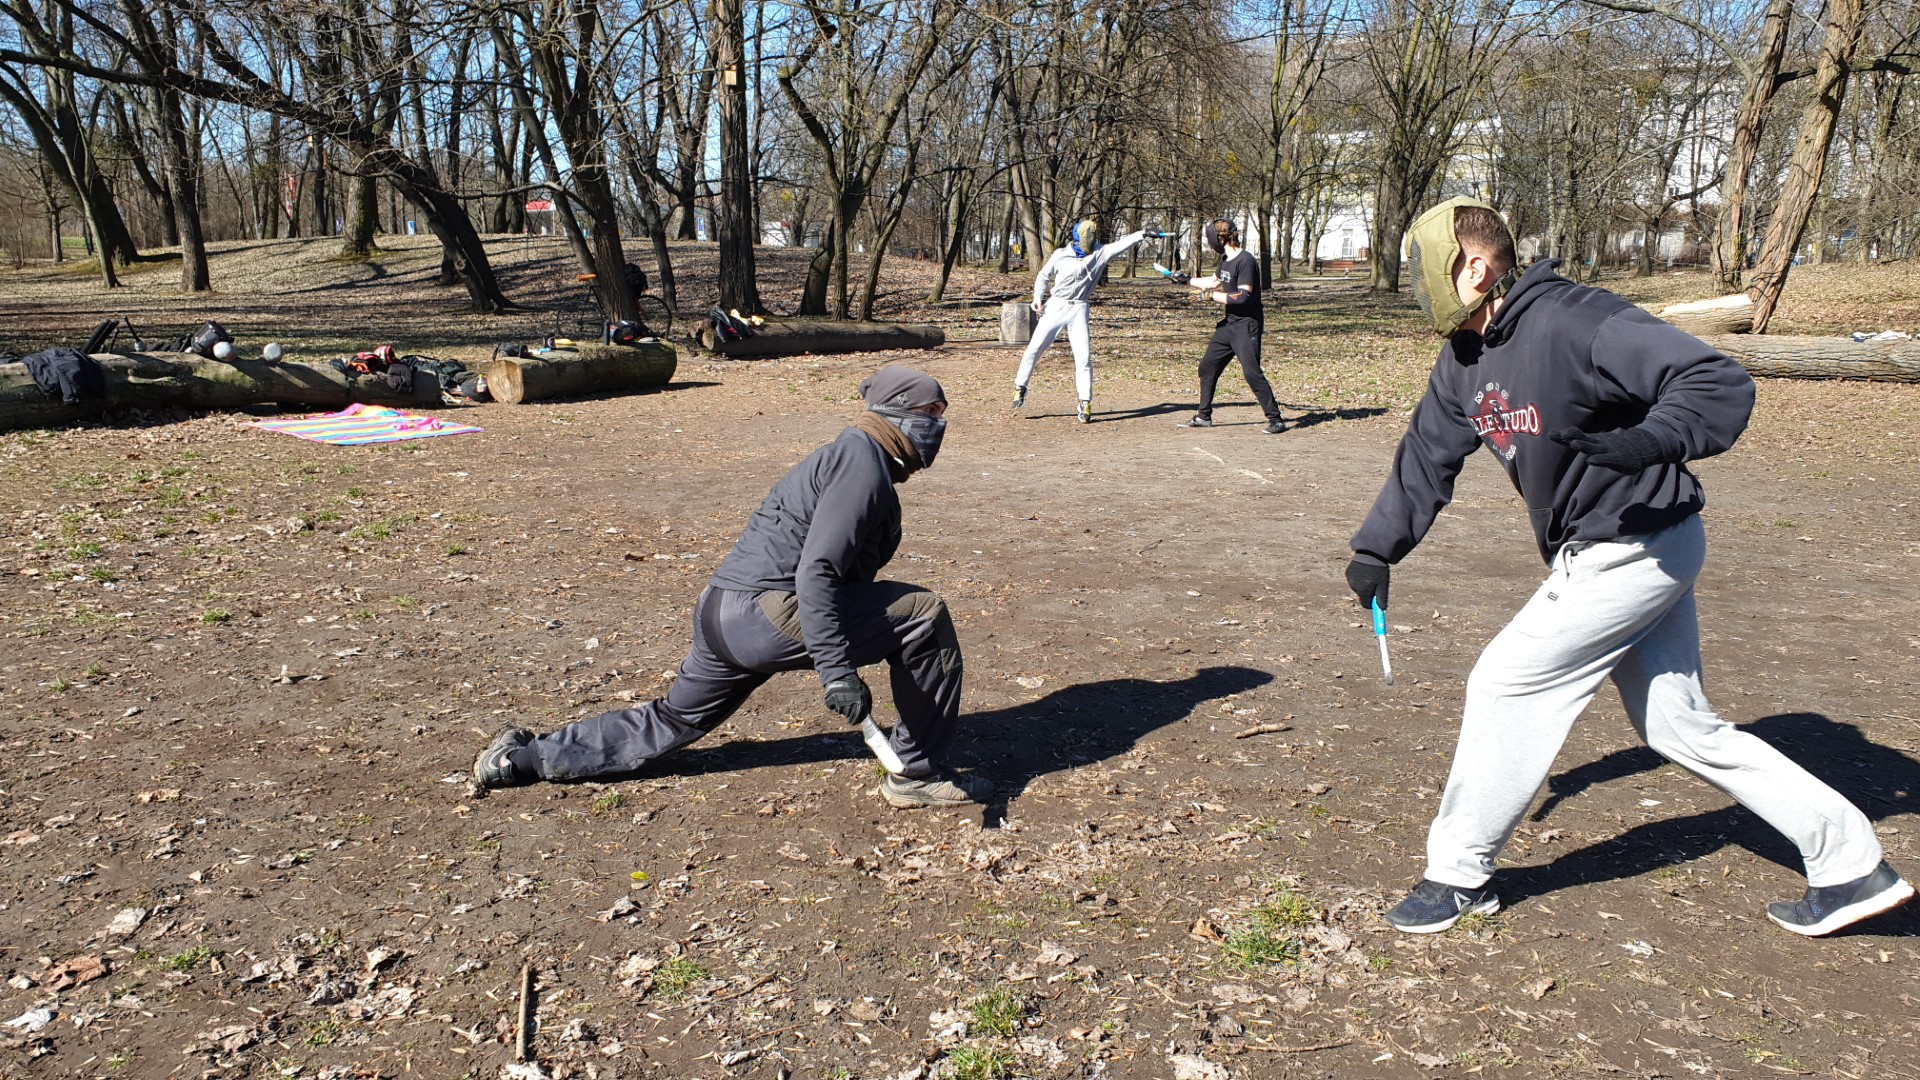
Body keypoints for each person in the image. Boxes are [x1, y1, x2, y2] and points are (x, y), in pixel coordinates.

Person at [1344, 197, 1911, 937]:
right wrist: (1376, 547)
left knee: (1505, 682)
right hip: (1608, 545)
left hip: (1637, 543)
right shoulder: (1462, 361)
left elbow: (1718, 382)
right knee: (1681, 728)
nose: (1417, 288)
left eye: (1424, 271)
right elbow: (1427, 455)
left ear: (1474, 269)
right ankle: (1850, 865)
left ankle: (1459, 873)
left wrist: (1653, 440)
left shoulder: (1579, 321)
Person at [473, 366, 994, 810]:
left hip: (722, 613)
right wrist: (837, 674)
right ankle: (916, 774)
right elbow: (817, 572)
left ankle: (523, 758)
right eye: (932, 413)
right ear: (898, 413)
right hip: (763, 615)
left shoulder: (856, 456)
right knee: (924, 613)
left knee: (672, 718)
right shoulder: (862, 461)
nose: (939, 425)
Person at [1013, 219, 1162, 424]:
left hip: (1079, 308)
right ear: (1077, 238)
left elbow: (1121, 245)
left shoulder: (1100, 253)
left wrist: (1142, 233)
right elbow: (1043, 276)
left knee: (1083, 358)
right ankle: (1020, 387)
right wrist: (1037, 297)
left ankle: (1085, 402)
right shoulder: (1060, 255)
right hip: (1057, 305)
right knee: (1034, 348)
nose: (1089, 244)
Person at [1178, 218, 1286, 434]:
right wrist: (1185, 280)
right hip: (1229, 325)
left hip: (1247, 326)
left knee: (1252, 373)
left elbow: (1242, 297)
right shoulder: (1226, 259)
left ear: (1220, 238)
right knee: (1207, 367)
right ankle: (1203, 416)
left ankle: (1276, 419)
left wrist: (1210, 297)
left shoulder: (1245, 261)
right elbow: (1213, 282)